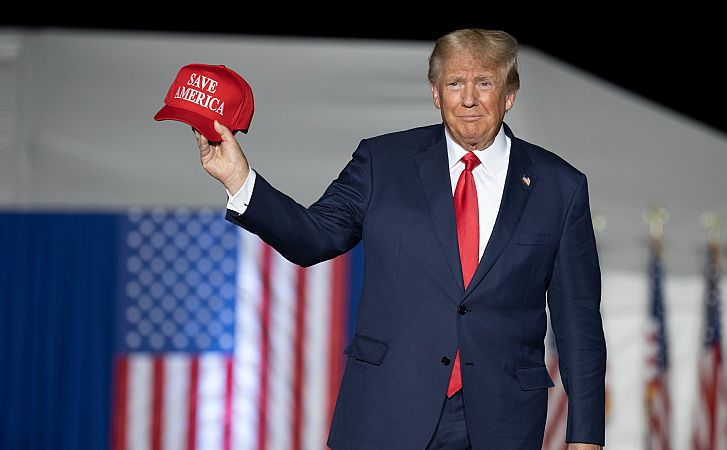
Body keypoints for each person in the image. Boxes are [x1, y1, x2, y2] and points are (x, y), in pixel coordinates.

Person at [194, 28, 605, 450]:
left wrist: (585, 437)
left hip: (502, 422)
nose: (468, 98)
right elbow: (312, 238)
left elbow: (580, 325)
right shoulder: (382, 162)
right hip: (388, 411)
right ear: (434, 92)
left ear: (510, 93)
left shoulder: (559, 186)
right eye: (454, 83)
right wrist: (239, 179)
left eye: (484, 83)